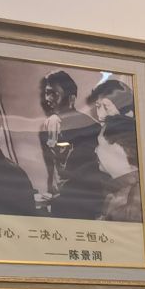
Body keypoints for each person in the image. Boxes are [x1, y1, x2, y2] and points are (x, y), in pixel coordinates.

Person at [36, 69, 103, 219]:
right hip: (59, 201)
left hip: (85, 201)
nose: (48, 98)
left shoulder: (91, 127)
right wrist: (51, 193)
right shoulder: (47, 125)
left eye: (54, 94)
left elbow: (90, 171)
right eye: (47, 93)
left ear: (71, 98)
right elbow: (53, 168)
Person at [93, 108, 141, 223]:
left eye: (99, 144)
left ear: (120, 148)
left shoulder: (132, 202)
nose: (95, 150)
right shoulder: (125, 190)